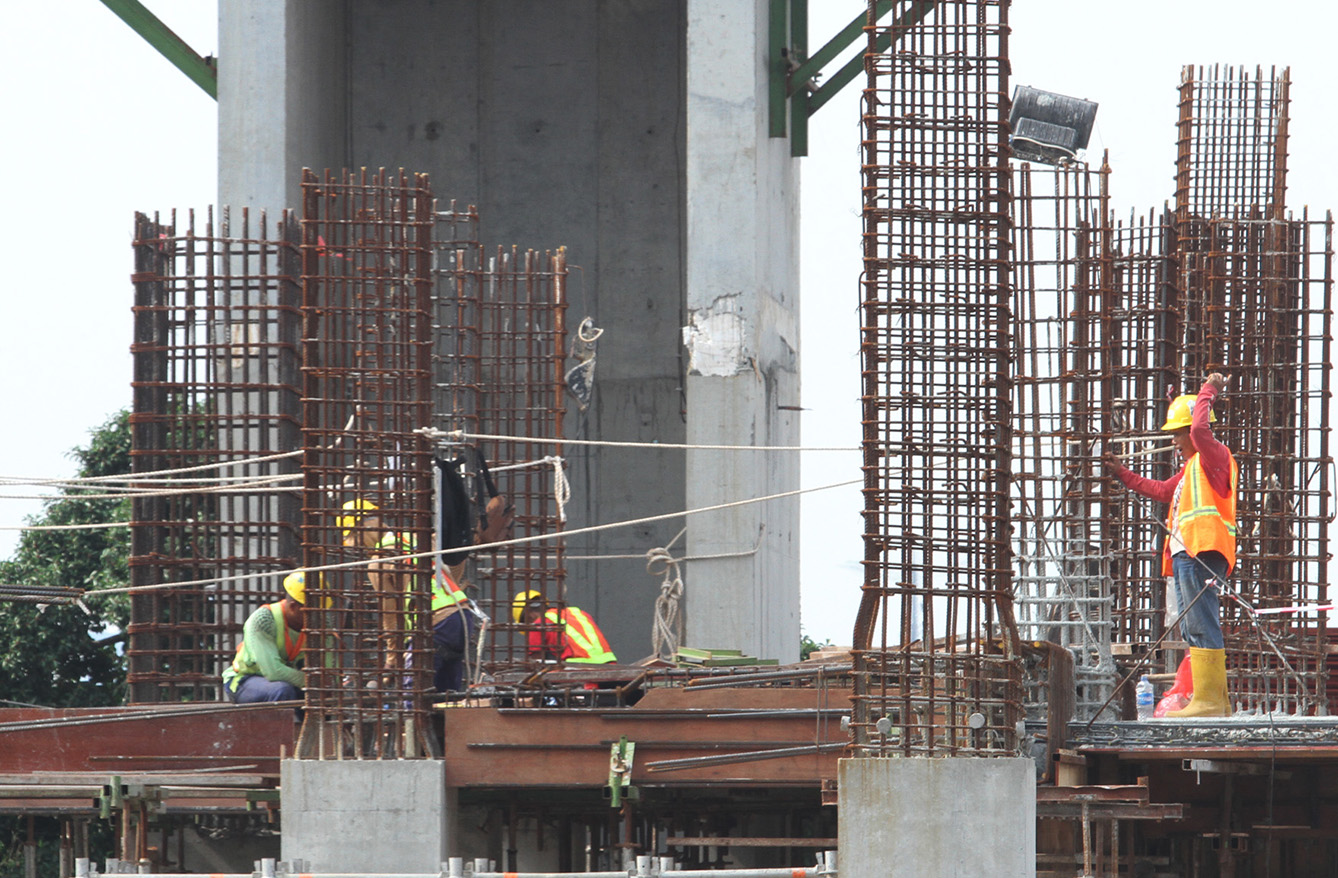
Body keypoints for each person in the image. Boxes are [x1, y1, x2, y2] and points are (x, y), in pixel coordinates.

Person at [1104, 373, 1238, 718]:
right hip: (1185, 555)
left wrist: (1209, 390)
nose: (1176, 440)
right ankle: (1210, 699)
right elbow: (1164, 491)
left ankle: (1210, 702)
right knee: (1192, 625)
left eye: (1177, 433)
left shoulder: (1213, 457)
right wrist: (1123, 474)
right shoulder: (1193, 468)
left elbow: (1198, 431)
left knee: (1202, 623)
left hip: (1201, 553)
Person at [222, 571, 310, 703]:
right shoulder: (263, 620)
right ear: (293, 607)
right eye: (310, 611)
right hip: (245, 680)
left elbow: (327, 666)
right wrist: (316, 682)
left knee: (319, 698)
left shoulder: (321, 623)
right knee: (282, 691)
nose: (317, 616)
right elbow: (274, 672)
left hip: (289, 681)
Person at [512, 590, 617, 664]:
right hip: (609, 665)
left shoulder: (539, 625)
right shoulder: (577, 613)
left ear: (528, 616)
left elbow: (536, 664)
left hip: (578, 671)